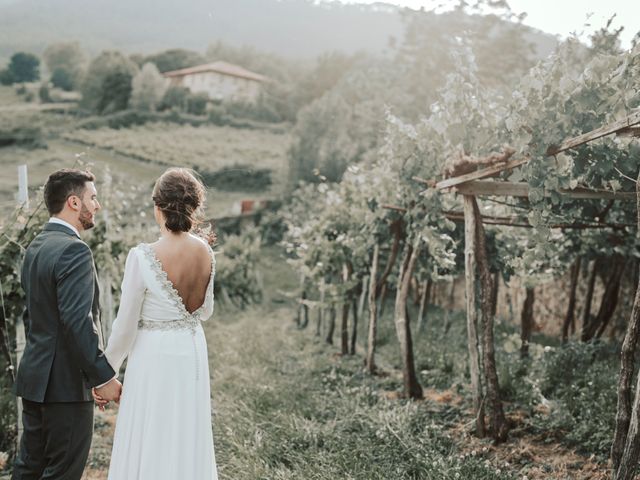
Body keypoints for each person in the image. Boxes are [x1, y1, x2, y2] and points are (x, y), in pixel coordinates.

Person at [95, 168, 218, 479]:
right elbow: (205, 312)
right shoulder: (206, 252)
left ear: (158, 206)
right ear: (193, 207)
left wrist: (105, 374)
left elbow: (124, 327)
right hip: (191, 350)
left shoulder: (143, 256)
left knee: (153, 430)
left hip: (154, 355)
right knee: (186, 430)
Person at [12, 169, 122, 480]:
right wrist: (102, 378)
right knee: (62, 473)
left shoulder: (35, 247)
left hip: (35, 380)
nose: (97, 205)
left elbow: (33, 316)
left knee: (28, 470)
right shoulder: (75, 250)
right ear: (74, 202)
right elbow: (77, 323)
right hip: (66, 387)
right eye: (93, 198)